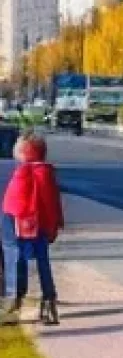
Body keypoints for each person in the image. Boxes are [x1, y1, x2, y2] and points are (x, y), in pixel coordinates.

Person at [1, 131, 63, 325]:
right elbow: (52, 203)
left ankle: (13, 299)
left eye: (18, 148)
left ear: (26, 152)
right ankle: (49, 301)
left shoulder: (24, 172)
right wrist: (53, 225)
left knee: (14, 257)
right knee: (43, 262)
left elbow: (15, 203)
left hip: (19, 223)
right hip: (41, 225)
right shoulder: (47, 172)